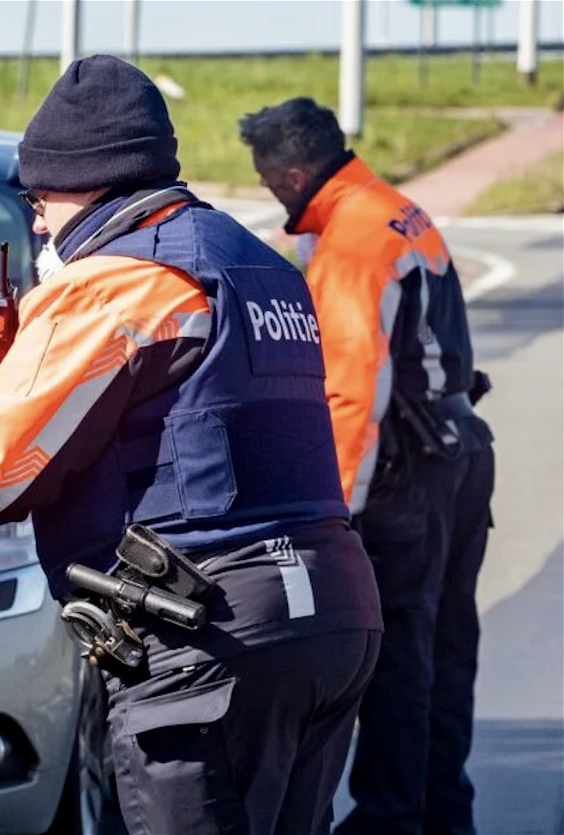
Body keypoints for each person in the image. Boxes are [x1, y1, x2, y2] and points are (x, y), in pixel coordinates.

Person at [0, 55, 383, 835]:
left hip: (210, 633)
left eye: (39, 198)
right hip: (330, 614)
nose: (36, 220)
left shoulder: (119, 279)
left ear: (88, 180)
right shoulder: (256, 264)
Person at [240, 97, 497, 835]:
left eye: (266, 181)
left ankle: (390, 818)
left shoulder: (351, 244)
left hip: (402, 475)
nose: (269, 194)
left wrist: (336, 515)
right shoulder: (397, 211)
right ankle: (444, 810)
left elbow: (352, 390)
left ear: (292, 171)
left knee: (392, 657)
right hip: (458, 453)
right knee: (446, 650)